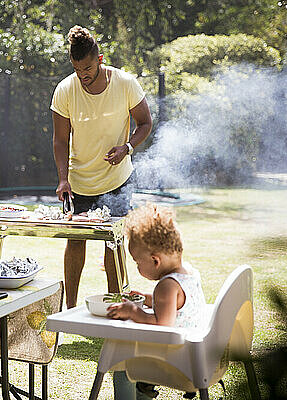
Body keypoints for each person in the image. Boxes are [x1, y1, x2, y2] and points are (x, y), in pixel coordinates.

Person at [50, 25, 153, 309]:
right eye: (77, 70)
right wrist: (63, 179)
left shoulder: (125, 83)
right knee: (75, 242)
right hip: (79, 181)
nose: (83, 76)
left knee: (113, 242)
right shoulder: (65, 90)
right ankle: (70, 308)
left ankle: (115, 305)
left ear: (100, 59)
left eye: (88, 70)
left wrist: (128, 148)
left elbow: (145, 122)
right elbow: (60, 140)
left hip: (118, 179)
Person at [106, 203, 206, 399]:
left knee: (121, 364)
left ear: (155, 260)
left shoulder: (166, 286)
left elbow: (163, 325)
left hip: (174, 361)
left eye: (137, 261)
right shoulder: (189, 273)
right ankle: (144, 391)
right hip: (195, 355)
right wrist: (146, 299)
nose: (136, 266)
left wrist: (133, 312)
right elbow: (174, 306)